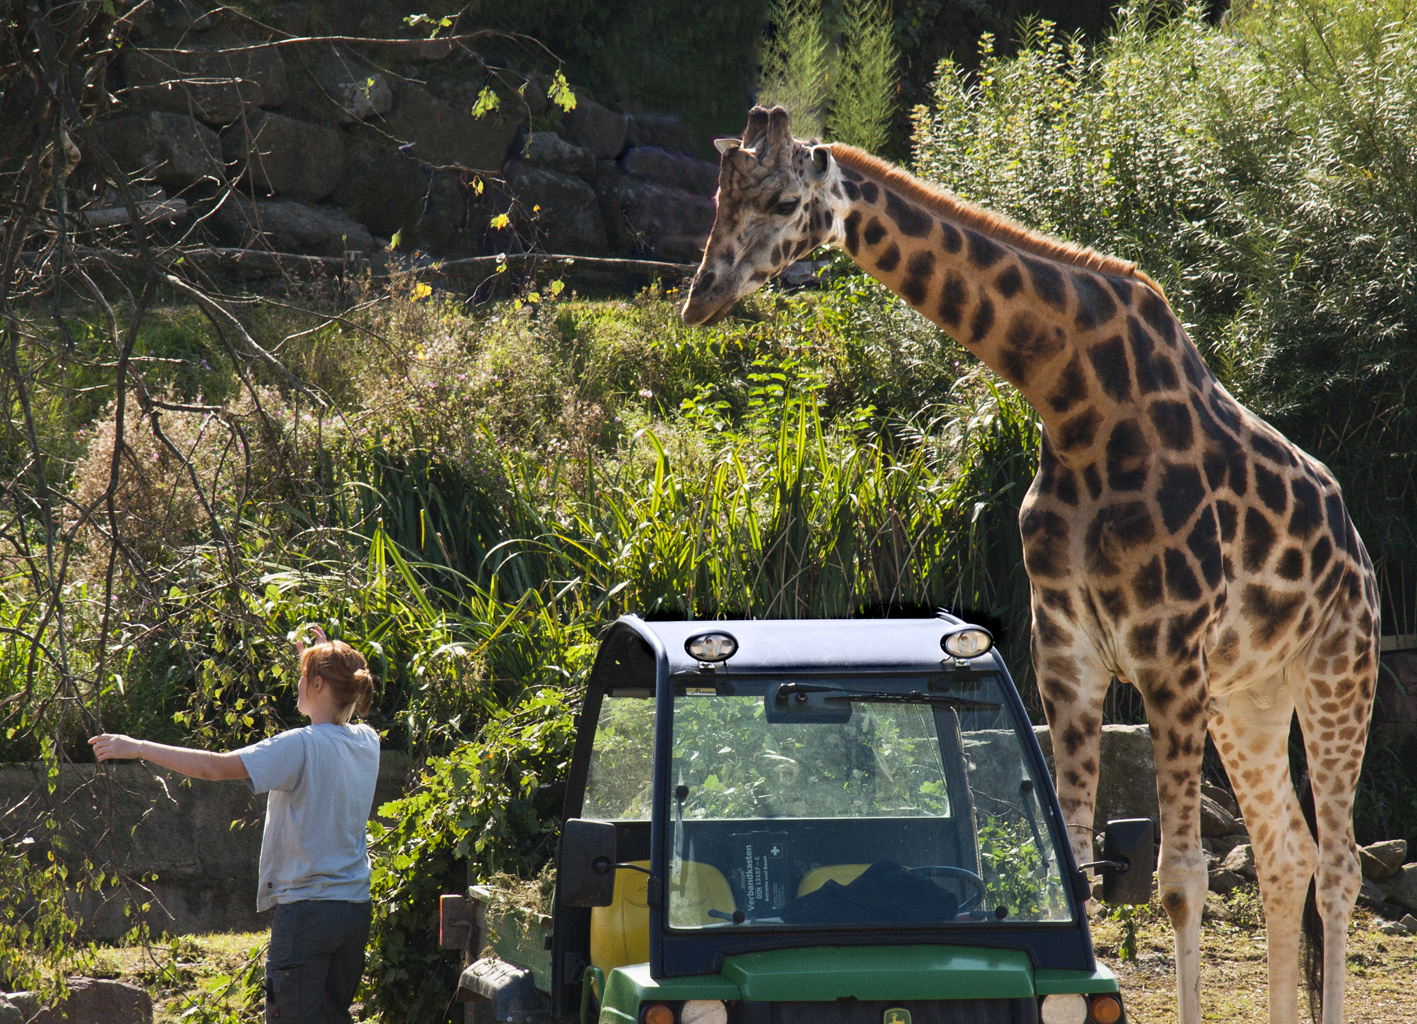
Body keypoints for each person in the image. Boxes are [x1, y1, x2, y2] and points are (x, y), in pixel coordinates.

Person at [89, 627, 381, 1024]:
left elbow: (214, 767)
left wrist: (136, 747)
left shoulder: (300, 745)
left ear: (317, 683)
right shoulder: (367, 741)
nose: (296, 684)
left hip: (308, 915)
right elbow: (339, 708)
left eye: (303, 676)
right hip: (353, 913)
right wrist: (327, 658)